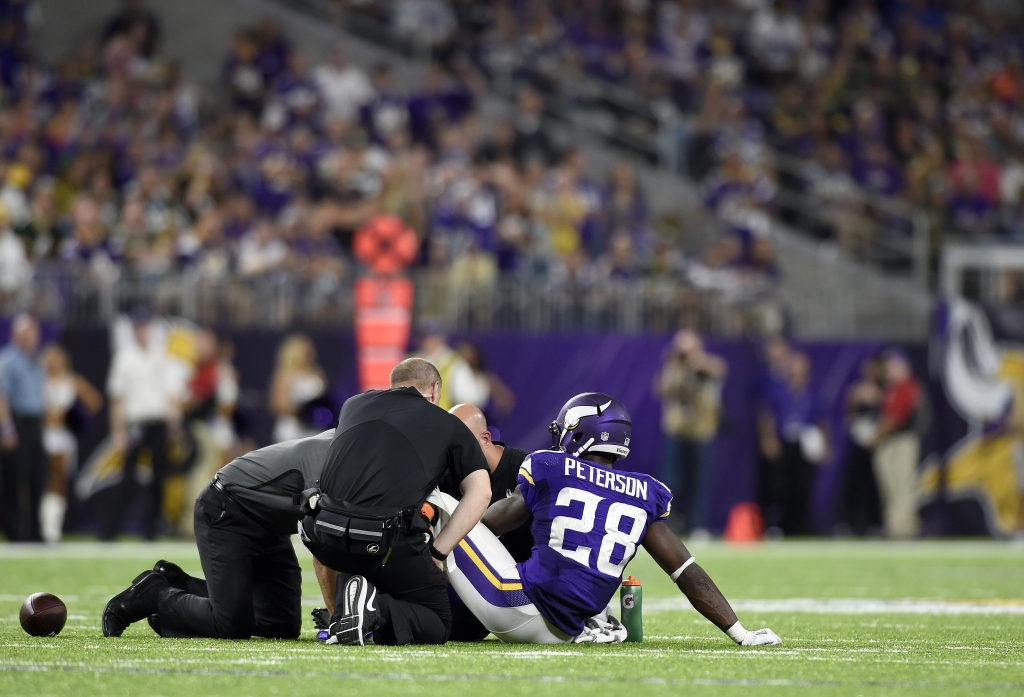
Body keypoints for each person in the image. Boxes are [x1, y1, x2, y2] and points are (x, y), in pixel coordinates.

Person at [435, 392, 781, 646]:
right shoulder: (644, 491)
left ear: (580, 433)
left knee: (447, 507)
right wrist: (741, 634)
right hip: (566, 629)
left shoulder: (550, 466)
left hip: (515, 606)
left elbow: (488, 525)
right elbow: (687, 572)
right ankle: (596, 622)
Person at [303, 358, 491, 646]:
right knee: (438, 622)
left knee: (359, 547)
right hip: (383, 542)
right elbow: (482, 493)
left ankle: (347, 612)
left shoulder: (353, 405)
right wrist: (438, 553)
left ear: (392, 386)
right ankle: (374, 608)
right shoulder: (447, 424)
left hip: (325, 536)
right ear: (435, 389)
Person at [101, 430, 334, 639]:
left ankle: (178, 583)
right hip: (230, 509)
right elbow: (327, 552)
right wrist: (339, 619)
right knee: (231, 625)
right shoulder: (335, 460)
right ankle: (154, 594)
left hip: (270, 523)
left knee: (279, 624)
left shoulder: (347, 447)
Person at [102, 309, 183, 540]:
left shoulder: (163, 356)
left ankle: (151, 529)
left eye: (145, 326)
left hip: (158, 422)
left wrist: (174, 425)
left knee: (159, 478)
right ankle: (110, 529)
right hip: (136, 424)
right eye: (137, 327)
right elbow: (117, 400)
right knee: (128, 479)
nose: (141, 331)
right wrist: (118, 433)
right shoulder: (125, 357)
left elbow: (172, 395)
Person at [655, 330, 727, 535]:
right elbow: (661, 390)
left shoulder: (707, 364)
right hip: (676, 431)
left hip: (702, 432)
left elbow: (720, 369)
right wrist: (674, 365)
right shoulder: (674, 367)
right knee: (670, 481)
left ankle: (697, 526)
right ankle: (665, 526)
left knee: (699, 482)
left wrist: (695, 362)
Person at [757, 352, 828, 536]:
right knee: (779, 486)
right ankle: (778, 526)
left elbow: (822, 420)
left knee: (803, 486)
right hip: (784, 442)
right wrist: (768, 439)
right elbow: (767, 416)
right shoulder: (778, 390)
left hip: (804, 443)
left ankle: (801, 527)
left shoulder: (812, 393)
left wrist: (826, 445)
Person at [39, 344, 103, 543]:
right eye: (51, 360)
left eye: (57, 360)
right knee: (38, 480)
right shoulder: (40, 381)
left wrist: (74, 416)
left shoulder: (71, 380)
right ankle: (38, 525)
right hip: (40, 434)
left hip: (61, 437)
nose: (54, 364)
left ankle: (52, 527)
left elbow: (95, 401)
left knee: (57, 480)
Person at [0, 315, 46, 541]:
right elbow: (1, 398)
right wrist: (7, 429)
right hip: (17, 423)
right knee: (16, 479)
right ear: (16, 335)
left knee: (37, 478)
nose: (31, 337)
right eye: (26, 333)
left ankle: (36, 532)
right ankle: (15, 532)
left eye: (33, 332)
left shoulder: (37, 360)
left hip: (35, 422)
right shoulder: (8, 360)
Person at [871, 350, 922, 539]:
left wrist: (874, 436)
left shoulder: (907, 387)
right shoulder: (889, 390)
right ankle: (894, 527)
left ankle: (903, 530)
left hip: (901, 442)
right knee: (891, 489)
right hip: (889, 442)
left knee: (902, 487)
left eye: (891, 367)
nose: (888, 372)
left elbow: (894, 419)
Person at [840, 356, 884, 536]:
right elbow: (849, 414)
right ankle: (850, 523)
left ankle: (875, 524)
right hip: (858, 443)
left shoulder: (884, 390)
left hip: (876, 443)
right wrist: (854, 400)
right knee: (853, 484)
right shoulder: (857, 389)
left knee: (875, 485)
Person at [269, 334, 326, 443]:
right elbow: (278, 405)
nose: (312, 354)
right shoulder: (286, 375)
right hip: (292, 431)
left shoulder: (317, 374)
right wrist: (303, 412)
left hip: (315, 430)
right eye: (307, 352)